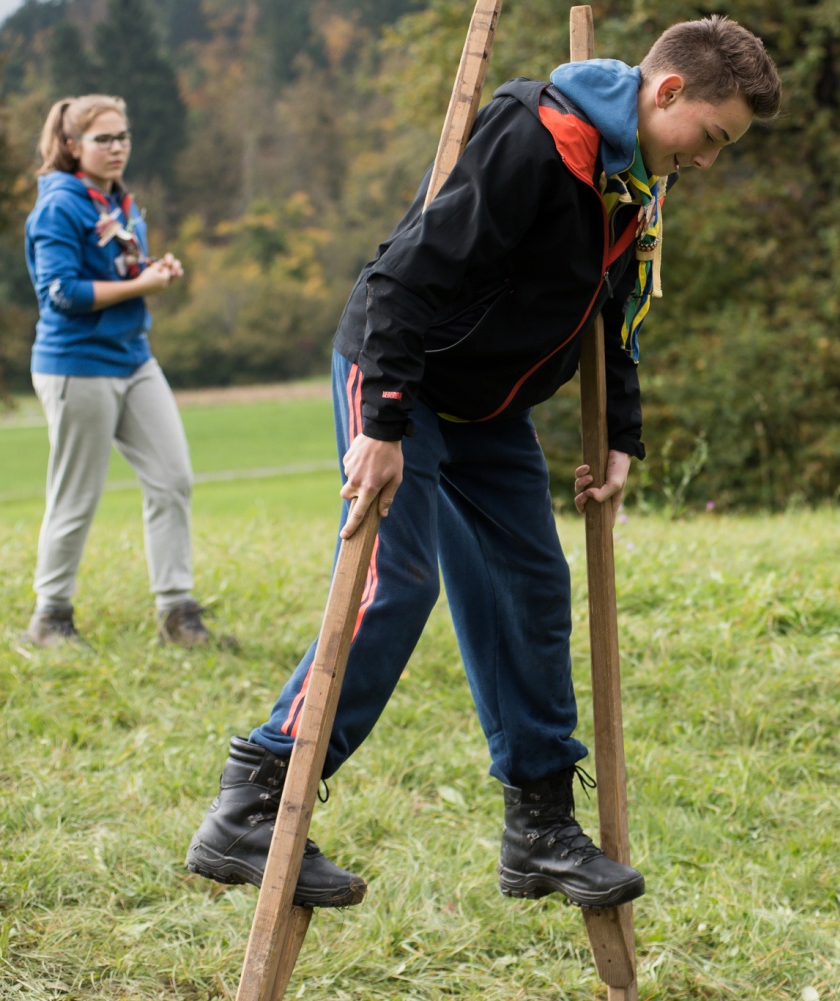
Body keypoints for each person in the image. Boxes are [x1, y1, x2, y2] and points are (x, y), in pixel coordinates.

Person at [185, 18, 782, 912]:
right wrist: (384, 422)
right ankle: (254, 798)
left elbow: (614, 310)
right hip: (405, 375)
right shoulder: (539, 137)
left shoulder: (635, 178)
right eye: (713, 136)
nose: (708, 158)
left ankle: (539, 829)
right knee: (396, 582)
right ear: (668, 92)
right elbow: (404, 277)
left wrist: (621, 434)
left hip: (490, 407)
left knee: (530, 585)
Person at [23, 94, 221, 649]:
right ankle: (50, 618)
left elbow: (119, 268)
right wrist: (141, 286)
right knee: (76, 496)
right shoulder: (59, 206)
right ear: (71, 146)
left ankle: (177, 614)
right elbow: (62, 294)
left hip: (133, 357)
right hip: (77, 364)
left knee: (172, 479)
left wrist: (152, 270)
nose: (117, 148)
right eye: (103, 139)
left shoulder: (119, 200)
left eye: (123, 136)